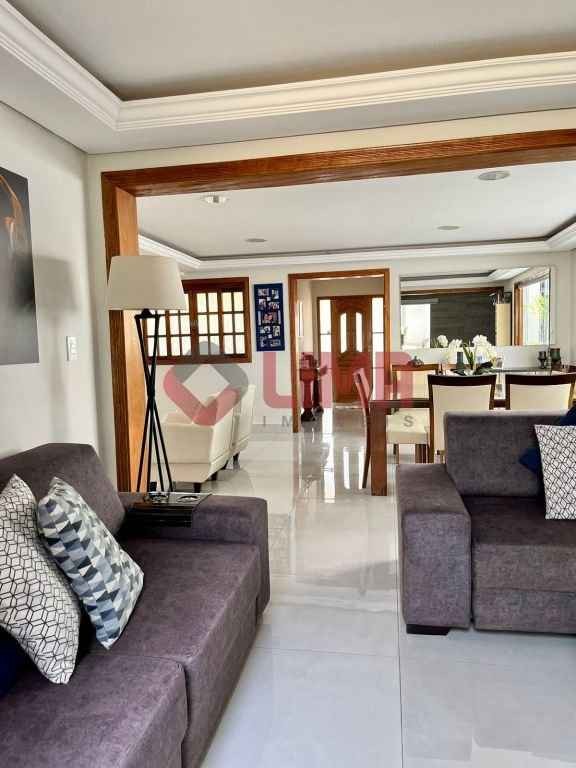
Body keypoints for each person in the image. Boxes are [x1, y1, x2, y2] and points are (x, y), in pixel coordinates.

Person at [0, 171, 38, 364]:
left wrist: (3, 182)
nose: (7, 221)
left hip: (21, 297)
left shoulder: (19, 238)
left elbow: (16, 205)